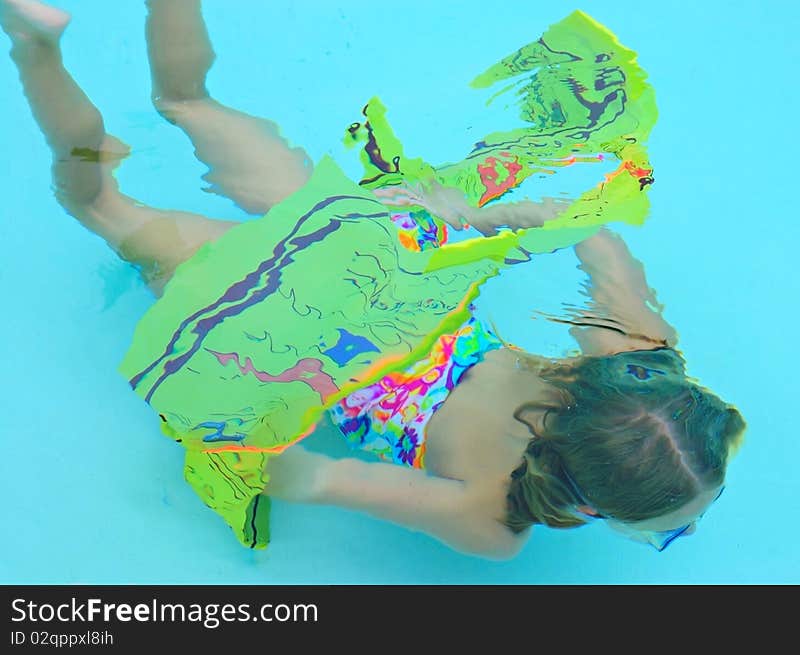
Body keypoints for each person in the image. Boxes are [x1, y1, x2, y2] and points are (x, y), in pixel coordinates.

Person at [2, 0, 746, 560]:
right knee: (98, 199)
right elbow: (312, 480)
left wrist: (467, 211)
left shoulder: (632, 350)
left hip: (373, 244)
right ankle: (36, 49)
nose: (688, 521)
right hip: (288, 321)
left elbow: (588, 227)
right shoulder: (492, 519)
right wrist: (240, 428)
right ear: (590, 505)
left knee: (187, 101)